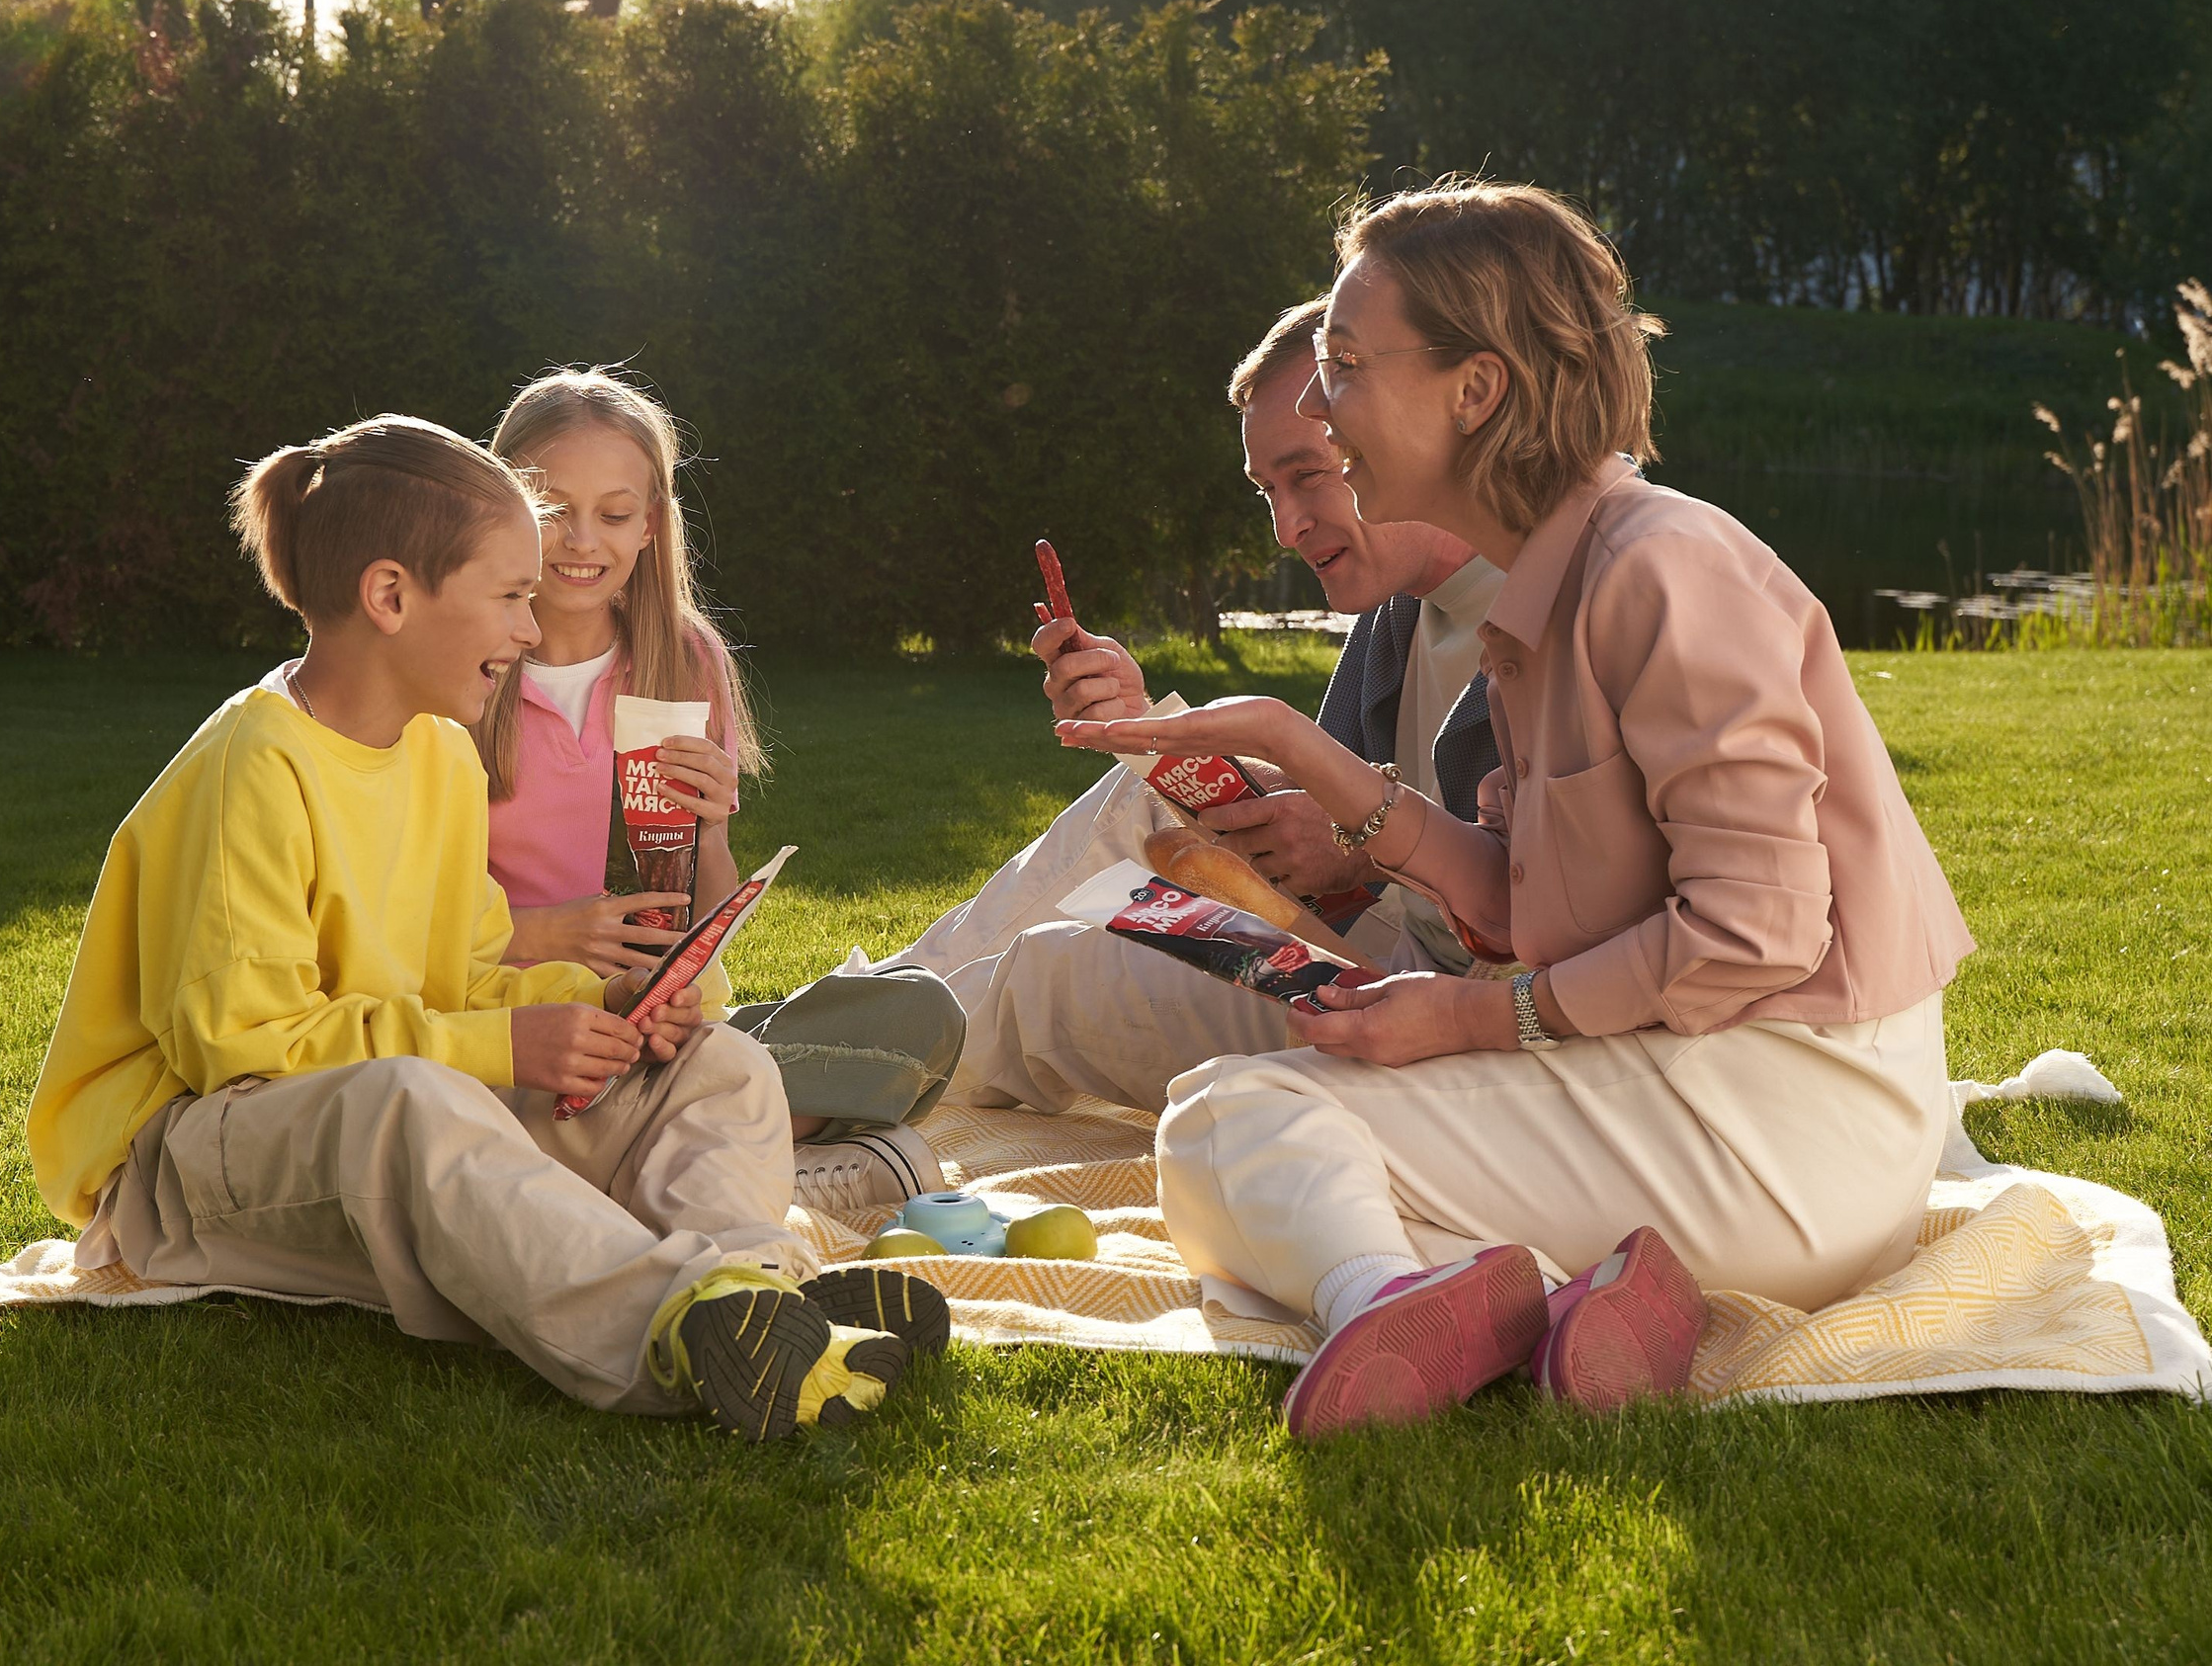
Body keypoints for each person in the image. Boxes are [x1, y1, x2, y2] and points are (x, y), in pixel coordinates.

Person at [1058, 181, 1974, 1435]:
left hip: (1787, 1115)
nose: (1319, 409)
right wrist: (1297, 747)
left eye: (1341, 365)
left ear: (1474, 390)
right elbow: (1525, 903)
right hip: (1699, 1097)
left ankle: (1389, 1302)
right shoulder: (1551, 592)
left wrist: (1479, 1020)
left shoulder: (1662, 567)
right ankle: (1591, 1304)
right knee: (1252, 1126)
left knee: (1238, 1122)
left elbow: (1754, 935)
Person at [27, 414, 945, 1444]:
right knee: (407, 1096)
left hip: (391, 1111)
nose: (525, 624)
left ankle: (756, 1290)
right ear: (390, 596)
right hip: (182, 1171)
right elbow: (240, 1046)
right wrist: (502, 1045)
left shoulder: (439, 754)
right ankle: (678, 1331)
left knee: (722, 1068)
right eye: (509, 595)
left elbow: (464, 978)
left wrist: (602, 1010)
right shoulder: (253, 765)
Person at [879, 297, 1506, 1117]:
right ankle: (837, 1024)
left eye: (1316, 472)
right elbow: (1313, 810)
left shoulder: (1561, 606)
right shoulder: (1401, 609)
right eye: (1266, 489)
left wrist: (1364, 848)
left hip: (1439, 1017)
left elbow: (1541, 899)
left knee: (1051, 975)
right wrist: (1145, 723)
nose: (1285, 526)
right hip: (1381, 945)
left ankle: (812, 1070)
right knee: (1138, 801)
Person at [471, 369, 963, 1213]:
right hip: (514, 1026)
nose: (582, 542)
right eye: (553, 511)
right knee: (462, 1093)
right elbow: (404, 927)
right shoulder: (460, 667)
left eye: (616, 515)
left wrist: (709, 834)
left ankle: (681, 1146)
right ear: (502, 510)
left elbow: (704, 913)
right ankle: (735, 1159)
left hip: (665, 1027)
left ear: (652, 524)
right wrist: (550, 935)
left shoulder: (687, 660)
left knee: (918, 1013)